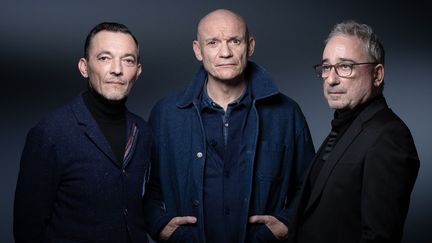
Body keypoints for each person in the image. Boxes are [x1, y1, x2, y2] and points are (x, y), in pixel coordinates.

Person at [143, 9, 315, 243]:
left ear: (250, 46)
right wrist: (161, 227)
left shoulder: (286, 113)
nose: (225, 52)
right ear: (198, 50)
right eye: (213, 43)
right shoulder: (166, 114)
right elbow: (147, 186)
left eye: (235, 41)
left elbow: (309, 185)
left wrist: (283, 225)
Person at [13, 22, 152, 243]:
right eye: (105, 58)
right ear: (84, 67)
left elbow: (143, 207)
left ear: (138, 71)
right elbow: (28, 229)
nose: (117, 69)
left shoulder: (143, 132)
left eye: (128, 60)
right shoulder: (50, 133)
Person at [289, 20, 420, 243]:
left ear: (377, 75)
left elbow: (379, 237)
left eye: (345, 66)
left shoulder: (389, 136)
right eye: (327, 67)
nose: (331, 79)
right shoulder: (345, 126)